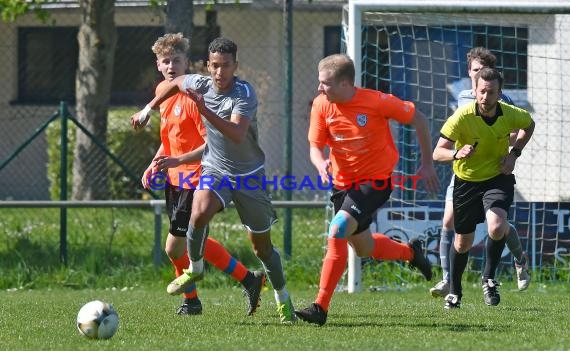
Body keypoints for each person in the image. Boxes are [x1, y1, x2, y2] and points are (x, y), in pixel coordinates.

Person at [131, 37, 296, 324]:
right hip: (215, 170)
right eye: (215, 66)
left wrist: (203, 109)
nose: (220, 73)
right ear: (207, 66)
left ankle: (282, 299)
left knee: (263, 249)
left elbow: (236, 134)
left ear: (236, 66)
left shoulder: (243, 93)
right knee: (199, 212)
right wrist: (149, 108)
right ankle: (195, 270)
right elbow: (174, 84)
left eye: (226, 66)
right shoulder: (200, 84)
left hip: (247, 177)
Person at [294, 54, 440, 326]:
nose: (319, 88)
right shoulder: (321, 105)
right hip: (342, 185)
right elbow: (315, 146)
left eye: (325, 83)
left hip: (376, 182)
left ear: (346, 83)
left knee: (337, 229)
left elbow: (419, 119)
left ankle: (320, 307)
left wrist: (427, 164)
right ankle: (411, 253)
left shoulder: (377, 102)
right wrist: (320, 163)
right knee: (363, 248)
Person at [430, 47, 531, 298]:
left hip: (494, 173)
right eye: (475, 73)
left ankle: (502, 269)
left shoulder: (504, 105)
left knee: (496, 226)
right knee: (450, 225)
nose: (484, 92)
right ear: (471, 78)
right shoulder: (463, 102)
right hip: (464, 173)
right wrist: (457, 151)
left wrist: (512, 152)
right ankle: (448, 281)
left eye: (489, 86)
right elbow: (442, 145)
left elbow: (519, 129)